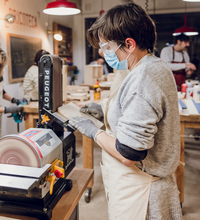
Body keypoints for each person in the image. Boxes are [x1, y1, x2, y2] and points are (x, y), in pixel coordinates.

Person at [69, 2, 182, 219]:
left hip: (141, 189)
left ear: (129, 44)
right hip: (142, 181)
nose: (104, 53)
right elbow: (139, 110)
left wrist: (93, 131)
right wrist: (105, 111)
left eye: (107, 47)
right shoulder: (152, 66)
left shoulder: (143, 78)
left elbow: (129, 152)